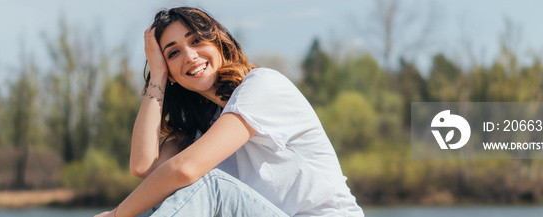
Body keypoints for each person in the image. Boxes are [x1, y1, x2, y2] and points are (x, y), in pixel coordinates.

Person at [95, 6, 364, 217]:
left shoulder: (263, 86)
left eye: (197, 41)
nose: (190, 56)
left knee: (207, 185)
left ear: (219, 43)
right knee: (165, 194)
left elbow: (185, 169)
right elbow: (144, 168)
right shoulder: (199, 130)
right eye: (174, 53)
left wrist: (118, 215)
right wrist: (157, 75)